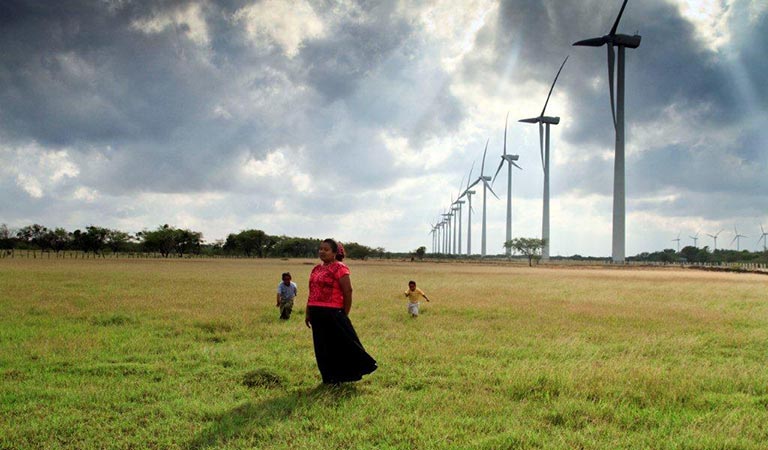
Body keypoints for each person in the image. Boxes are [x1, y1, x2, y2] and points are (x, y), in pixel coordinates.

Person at [305, 239, 377, 384]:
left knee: (338, 345)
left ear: (334, 253)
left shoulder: (340, 268)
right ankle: (328, 378)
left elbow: (348, 291)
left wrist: (344, 312)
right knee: (321, 347)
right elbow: (312, 292)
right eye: (320, 249)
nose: (322, 252)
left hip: (333, 312)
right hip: (316, 312)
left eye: (326, 249)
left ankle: (341, 377)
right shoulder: (316, 269)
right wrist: (308, 312)